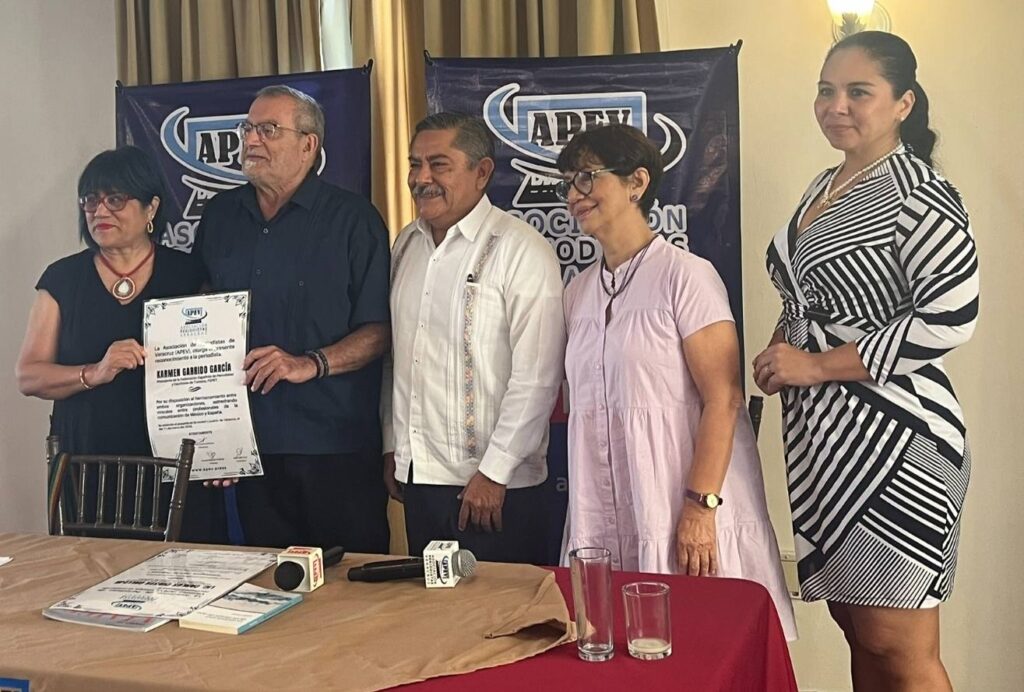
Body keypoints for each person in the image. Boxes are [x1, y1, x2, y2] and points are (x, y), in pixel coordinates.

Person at [753, 32, 979, 690]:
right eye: (826, 91)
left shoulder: (921, 193)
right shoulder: (826, 184)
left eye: (859, 92)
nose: (837, 106)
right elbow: (814, 295)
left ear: (903, 103)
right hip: (826, 441)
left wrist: (815, 366)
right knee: (861, 633)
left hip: (897, 443)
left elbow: (952, 314)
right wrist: (783, 348)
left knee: (898, 647)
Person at [557, 123, 797, 640]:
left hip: (679, 504)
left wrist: (699, 507)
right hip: (602, 508)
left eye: (587, 177)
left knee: (698, 647)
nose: (574, 195)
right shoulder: (577, 293)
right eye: (568, 183)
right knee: (610, 648)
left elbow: (724, 399)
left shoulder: (687, 275)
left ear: (637, 182)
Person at [194, 85, 391, 552]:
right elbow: (198, 323)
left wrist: (309, 363)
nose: (251, 140)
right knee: (269, 581)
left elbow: (379, 331)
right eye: (247, 128)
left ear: (308, 144)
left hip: (335, 445)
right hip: (251, 445)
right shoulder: (220, 216)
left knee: (353, 584)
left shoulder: (354, 219)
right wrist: (213, 437)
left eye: (268, 129)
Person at [381, 112, 565, 564]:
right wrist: (393, 447)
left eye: (439, 165)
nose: (421, 178)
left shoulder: (522, 250)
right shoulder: (406, 245)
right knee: (428, 606)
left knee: (503, 609)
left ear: (481, 172)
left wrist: (495, 473)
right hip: (420, 481)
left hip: (494, 491)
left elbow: (538, 378)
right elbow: (396, 359)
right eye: (415, 164)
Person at [16, 145, 217, 540]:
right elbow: (28, 376)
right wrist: (94, 372)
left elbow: (214, 373)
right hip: (87, 461)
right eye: (90, 200)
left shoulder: (190, 274)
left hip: (171, 459)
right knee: (89, 568)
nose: (99, 211)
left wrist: (220, 451)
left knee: (179, 567)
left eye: (116, 199)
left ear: (151, 207)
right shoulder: (62, 278)